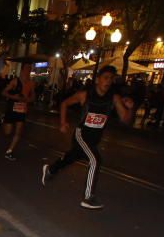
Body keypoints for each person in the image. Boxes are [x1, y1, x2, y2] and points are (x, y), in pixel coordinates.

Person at [41, 65, 133, 210]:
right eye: (105, 78)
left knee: (70, 158)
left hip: (94, 139)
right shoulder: (85, 95)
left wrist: (129, 108)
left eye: (111, 79)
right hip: (81, 135)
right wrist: (63, 122)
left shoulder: (114, 98)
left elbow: (125, 120)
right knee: (95, 160)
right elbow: (64, 103)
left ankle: (50, 170)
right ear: (97, 80)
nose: (108, 81)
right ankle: (88, 197)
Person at [1, 66, 35, 161]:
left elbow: (33, 97)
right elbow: (3, 92)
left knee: (18, 132)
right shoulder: (15, 81)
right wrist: (14, 97)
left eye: (29, 70)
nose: (27, 72)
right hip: (11, 108)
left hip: (22, 110)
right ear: (22, 70)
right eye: (26, 70)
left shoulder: (31, 83)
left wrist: (27, 99)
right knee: (7, 132)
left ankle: (9, 151)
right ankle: (3, 119)